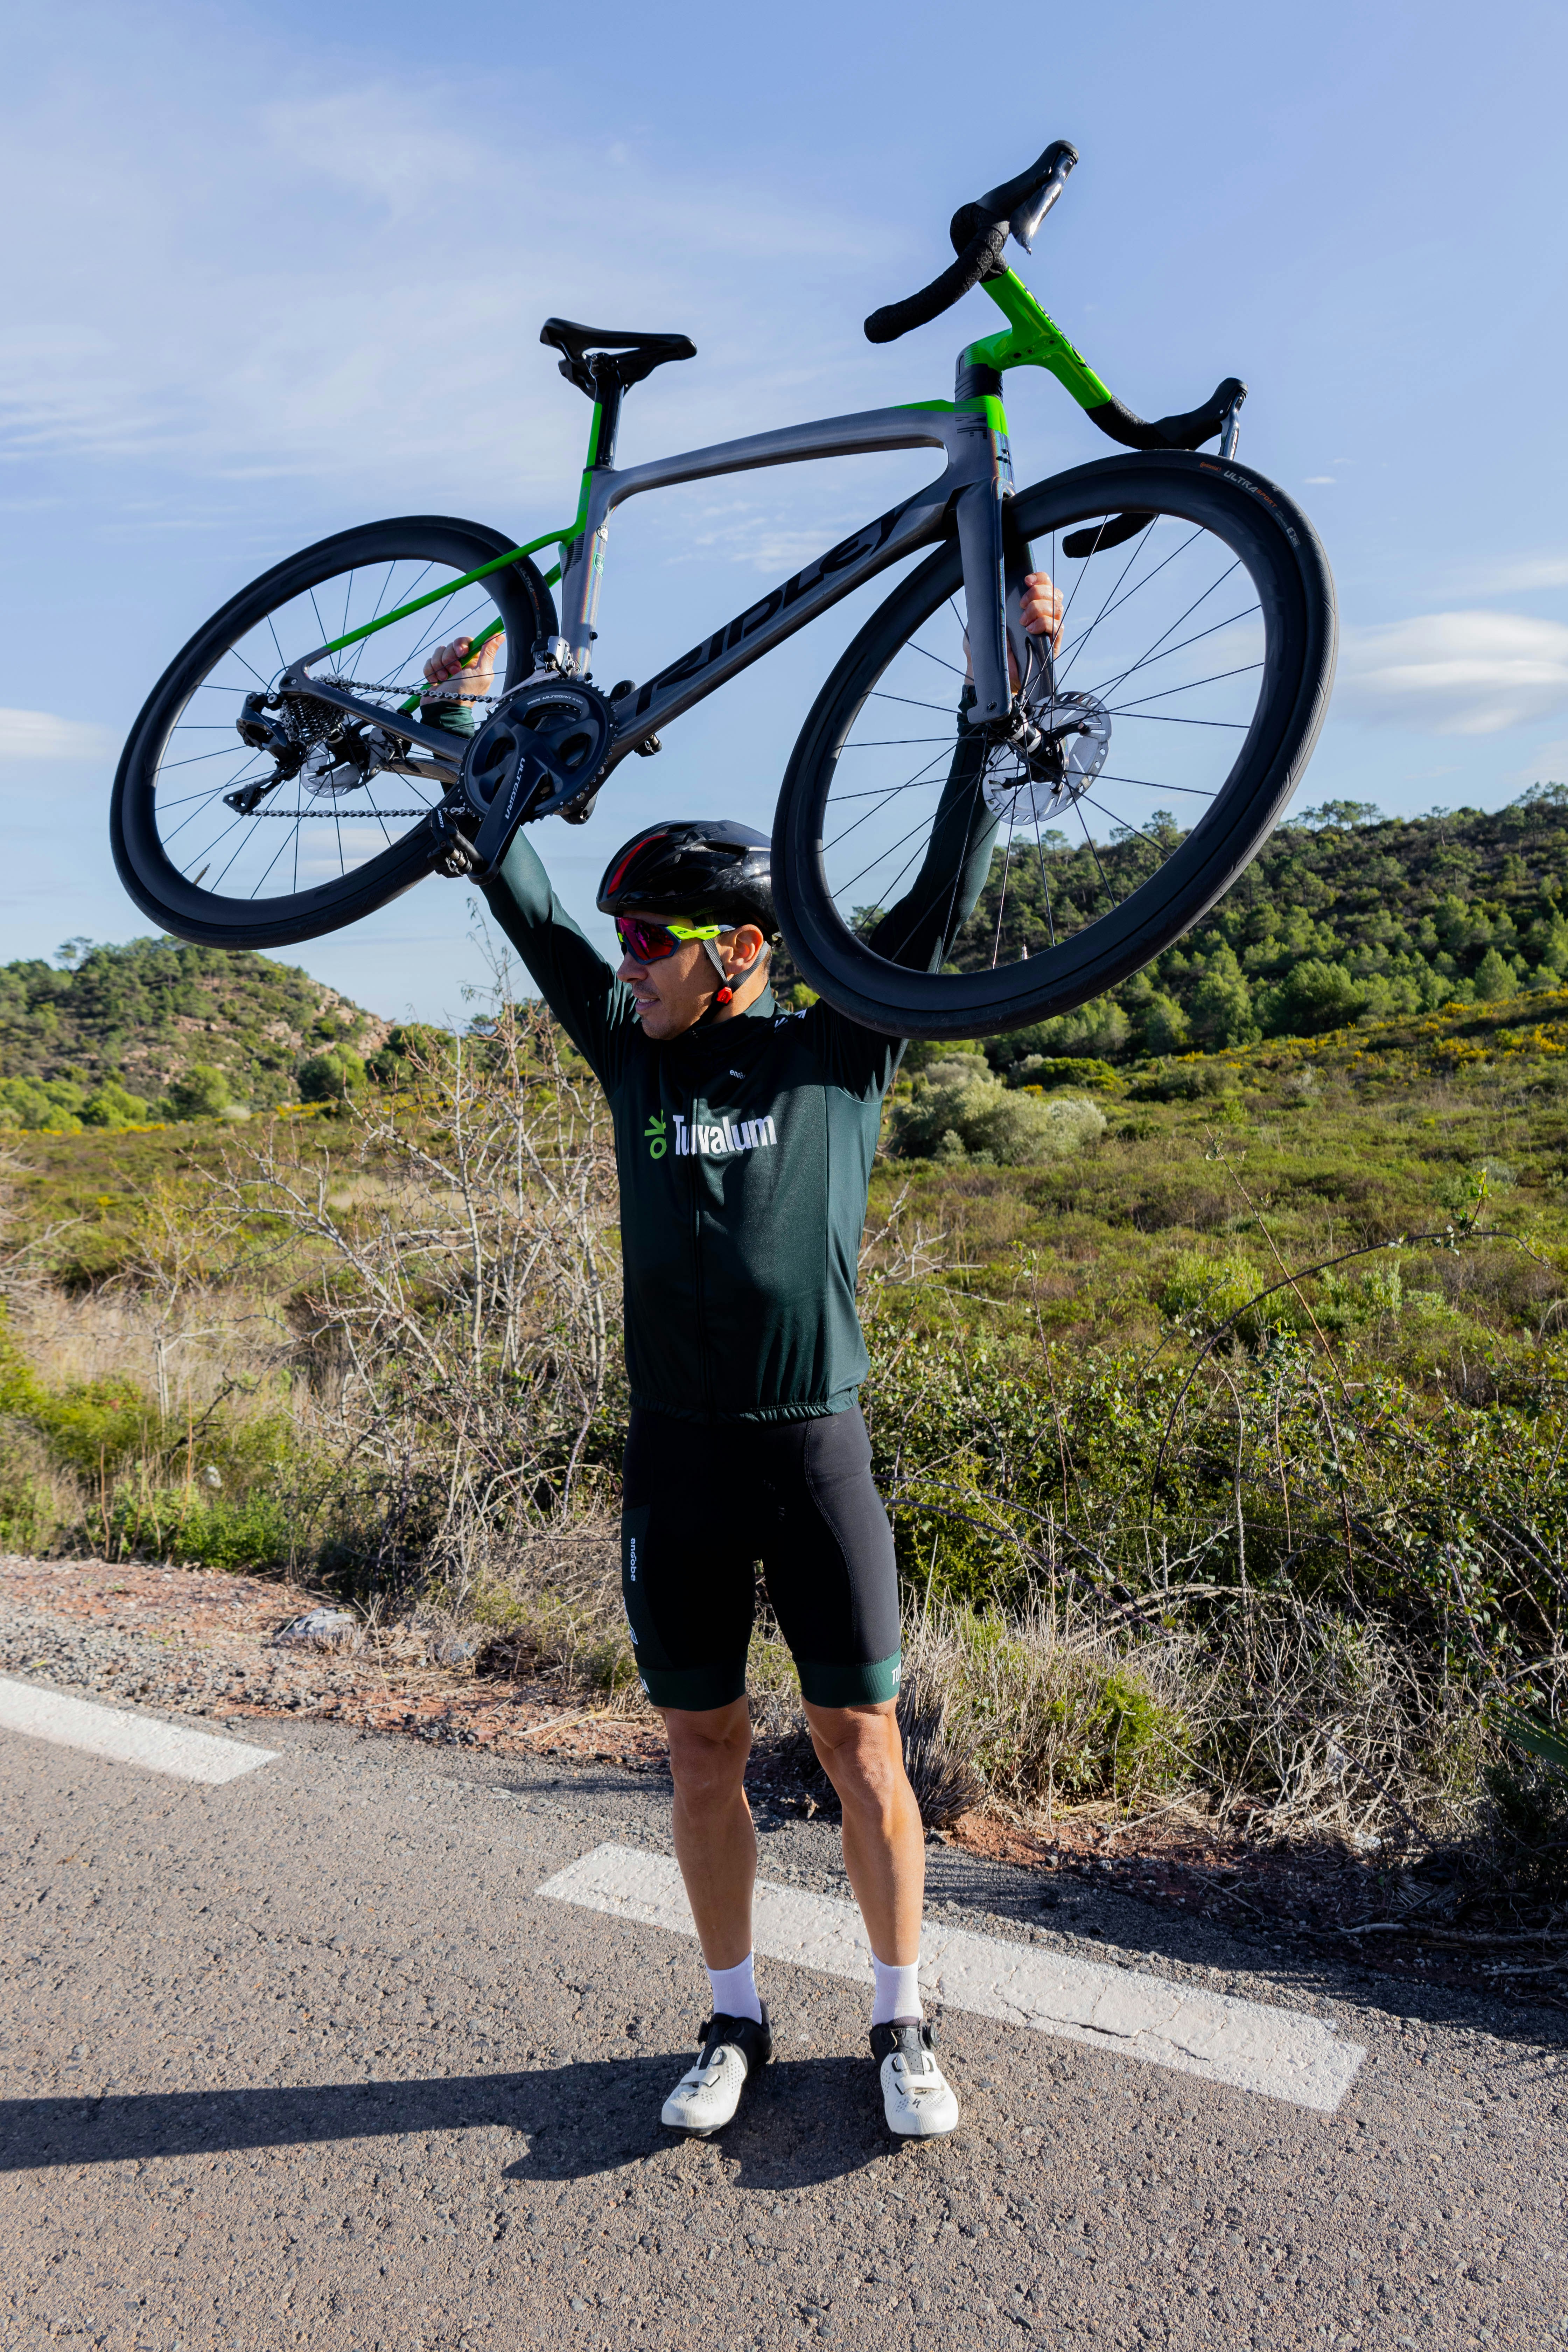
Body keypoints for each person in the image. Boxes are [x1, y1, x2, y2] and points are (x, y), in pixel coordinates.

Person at [422, 571, 1062, 2141]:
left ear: (740, 950)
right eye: (627, 933)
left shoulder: (840, 1035)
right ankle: (732, 2016)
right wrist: (451, 729)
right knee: (701, 1744)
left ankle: (904, 2021)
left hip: (812, 1445)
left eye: (655, 936)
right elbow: (522, 894)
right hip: (681, 1452)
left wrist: (1026, 668)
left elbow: (941, 874)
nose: (626, 955)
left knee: (858, 1746)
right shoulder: (624, 1049)